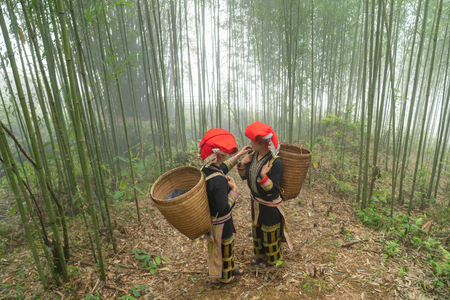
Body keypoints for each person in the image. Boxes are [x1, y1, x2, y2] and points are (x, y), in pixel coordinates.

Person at [199, 128, 252, 284]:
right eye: (225, 151)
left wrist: (239, 154)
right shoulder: (219, 181)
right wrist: (234, 191)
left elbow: (223, 167)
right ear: (218, 155)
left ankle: (228, 269)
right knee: (223, 248)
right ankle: (224, 278)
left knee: (225, 247)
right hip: (221, 222)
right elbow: (224, 207)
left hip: (213, 219)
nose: (227, 153)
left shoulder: (207, 169)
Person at [237, 121, 293, 267]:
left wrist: (263, 175)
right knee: (257, 229)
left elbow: (273, 188)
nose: (251, 143)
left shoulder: (276, 163)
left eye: (254, 141)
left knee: (269, 231)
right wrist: (242, 164)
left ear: (263, 143)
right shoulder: (251, 156)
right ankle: (260, 255)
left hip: (269, 206)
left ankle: (272, 259)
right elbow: (244, 177)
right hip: (255, 202)